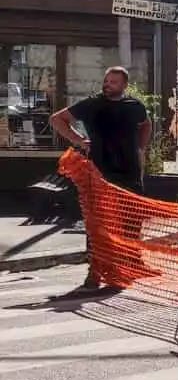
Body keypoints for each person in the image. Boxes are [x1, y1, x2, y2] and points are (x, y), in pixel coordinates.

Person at [50, 66, 152, 291]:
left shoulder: (134, 106)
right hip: (100, 173)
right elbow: (57, 119)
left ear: (124, 85)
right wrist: (78, 140)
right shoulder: (91, 104)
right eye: (106, 81)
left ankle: (125, 270)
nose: (107, 85)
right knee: (98, 225)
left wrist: (141, 148)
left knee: (131, 223)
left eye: (113, 82)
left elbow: (145, 125)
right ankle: (94, 275)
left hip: (130, 172)